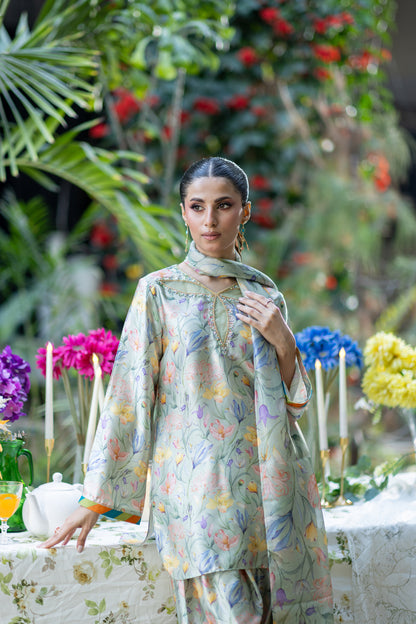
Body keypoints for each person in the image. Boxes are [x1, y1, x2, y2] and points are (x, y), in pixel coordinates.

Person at [42, 157, 333, 623]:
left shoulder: (264, 296)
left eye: (224, 205)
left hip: (269, 490)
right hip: (195, 493)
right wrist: (95, 500)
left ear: (245, 211)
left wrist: (283, 340)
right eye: (198, 207)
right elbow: (130, 394)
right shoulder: (158, 292)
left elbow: (293, 403)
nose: (210, 219)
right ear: (183, 213)